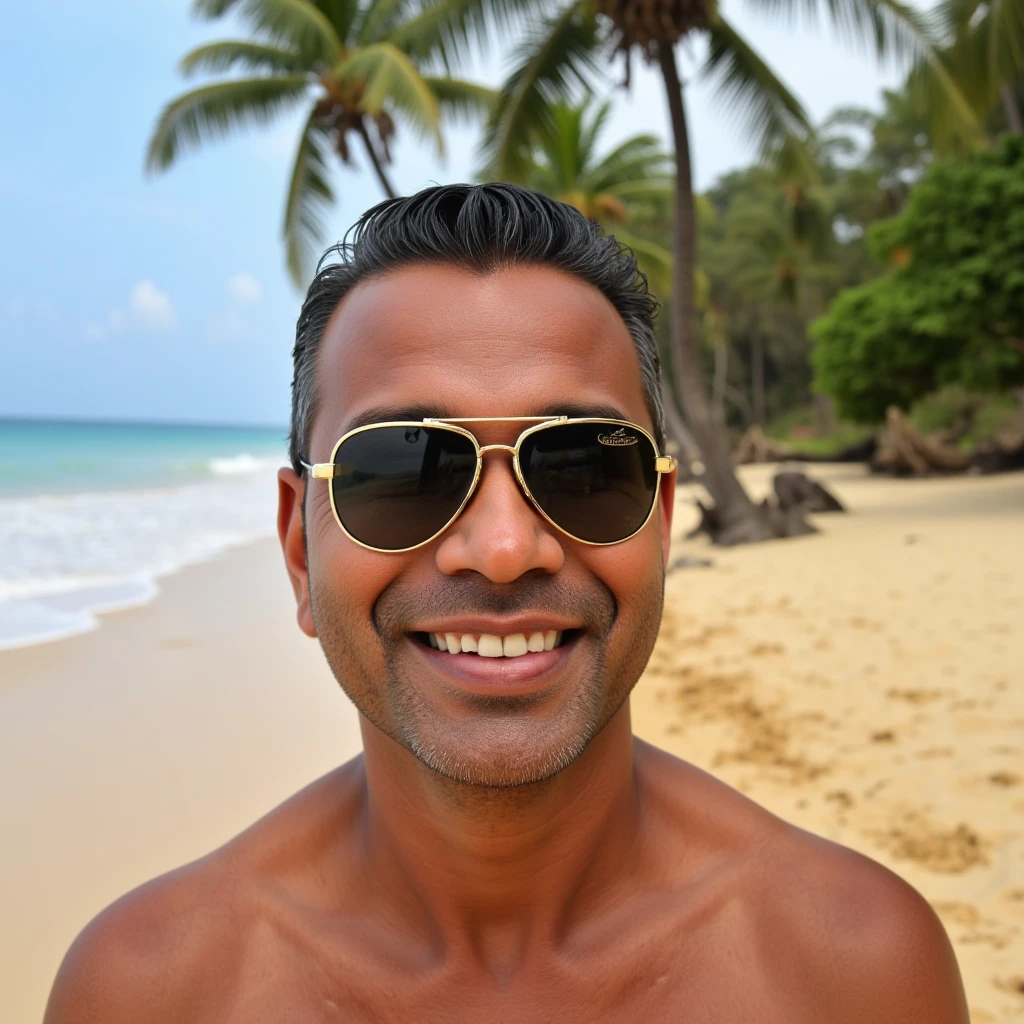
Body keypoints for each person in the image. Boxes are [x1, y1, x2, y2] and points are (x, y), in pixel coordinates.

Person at [45, 183, 969, 1022]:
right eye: (403, 468)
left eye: (582, 465)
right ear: (298, 548)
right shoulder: (148, 993)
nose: (501, 550)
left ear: (658, 521)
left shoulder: (852, 973)